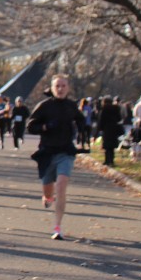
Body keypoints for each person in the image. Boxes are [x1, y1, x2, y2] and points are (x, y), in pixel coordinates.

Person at [27, 74, 85, 240]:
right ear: (52, 89)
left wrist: (82, 130)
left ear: (68, 88)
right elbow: (30, 126)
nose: (60, 89)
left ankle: (57, 227)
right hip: (47, 153)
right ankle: (47, 197)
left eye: (63, 86)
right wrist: (45, 127)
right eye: (57, 86)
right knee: (48, 190)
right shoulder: (44, 106)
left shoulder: (71, 106)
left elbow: (81, 120)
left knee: (61, 185)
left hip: (65, 152)